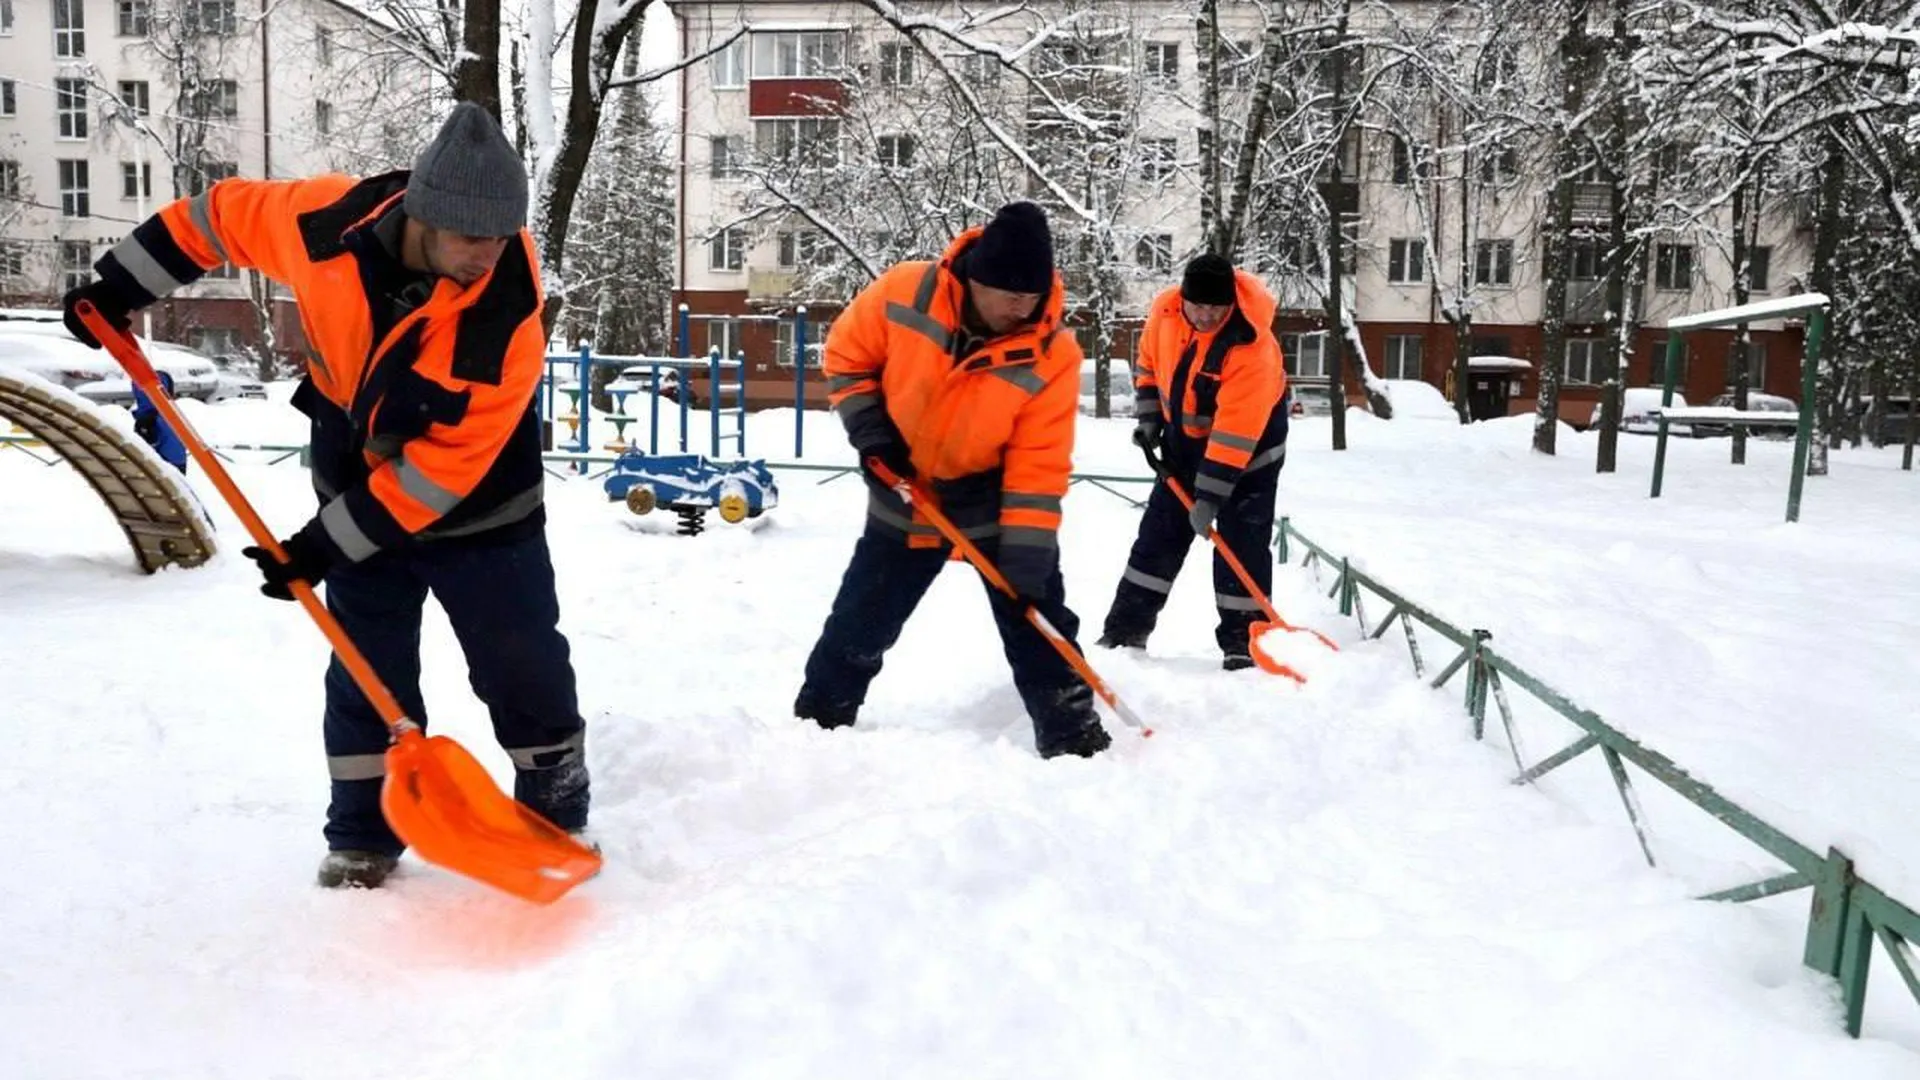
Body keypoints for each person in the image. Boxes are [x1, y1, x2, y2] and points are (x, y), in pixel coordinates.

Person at [61, 103, 589, 889]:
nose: (490, 254)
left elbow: (439, 475)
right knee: (364, 662)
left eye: (501, 236)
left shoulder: (507, 318)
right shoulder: (322, 225)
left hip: (483, 503)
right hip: (353, 457)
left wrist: (320, 545)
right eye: (472, 238)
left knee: (521, 661)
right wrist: (121, 284)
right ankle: (364, 835)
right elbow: (220, 216)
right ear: (424, 214)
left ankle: (555, 815)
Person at [794, 201, 1111, 760]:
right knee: (862, 617)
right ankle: (818, 723)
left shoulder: (1053, 352)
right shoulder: (905, 291)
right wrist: (872, 436)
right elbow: (846, 357)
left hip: (992, 497)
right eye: (1009, 294)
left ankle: (1072, 735)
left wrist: (1029, 550)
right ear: (977, 280)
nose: (1022, 306)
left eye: (1031, 295)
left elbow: (1041, 459)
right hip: (905, 487)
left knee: (1036, 614)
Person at [1097, 253, 1289, 670]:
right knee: (1157, 538)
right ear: (1182, 298)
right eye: (1197, 306)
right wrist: (1150, 419)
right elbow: (1147, 366)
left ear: (1230, 305)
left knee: (1242, 546)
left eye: (1215, 308)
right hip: (1184, 446)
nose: (1204, 316)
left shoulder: (1251, 345)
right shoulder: (1166, 314)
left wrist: (1210, 497)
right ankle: (1125, 631)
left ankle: (1245, 642)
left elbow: (1236, 431)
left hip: (1249, 455)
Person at [131, 369, 188, 474]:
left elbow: (147, 445)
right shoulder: (170, 414)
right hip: (177, 460)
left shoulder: (149, 420)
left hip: (163, 466)